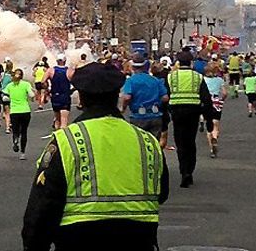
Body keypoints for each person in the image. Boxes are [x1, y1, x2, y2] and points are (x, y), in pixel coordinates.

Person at [22, 62, 169, 251]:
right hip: (139, 239)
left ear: (81, 99)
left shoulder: (66, 140)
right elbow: (162, 192)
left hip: (79, 239)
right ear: (116, 94)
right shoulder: (147, 141)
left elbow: (42, 206)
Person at [167, 50, 212, 188]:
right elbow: (206, 98)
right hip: (193, 111)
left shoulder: (171, 77)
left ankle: (183, 171)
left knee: (180, 143)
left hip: (177, 112)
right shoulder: (197, 77)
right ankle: (190, 171)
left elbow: (166, 95)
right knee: (190, 142)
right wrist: (208, 118)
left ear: (178, 63)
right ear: (191, 62)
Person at [121, 55, 169, 139]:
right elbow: (165, 98)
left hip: (138, 116)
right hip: (155, 115)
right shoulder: (155, 80)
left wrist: (123, 108)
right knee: (155, 143)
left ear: (133, 67)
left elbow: (127, 97)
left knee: (140, 144)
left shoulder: (131, 81)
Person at [2, 69, 34, 160]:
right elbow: (31, 95)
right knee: (24, 132)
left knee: (15, 130)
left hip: (14, 111)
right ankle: (22, 153)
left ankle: (15, 140)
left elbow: (5, 96)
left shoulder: (10, 86)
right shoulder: (26, 84)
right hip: (25, 110)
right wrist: (32, 95)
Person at [203, 62, 228, 158]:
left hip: (207, 102)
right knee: (216, 124)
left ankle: (211, 148)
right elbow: (225, 93)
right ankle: (215, 137)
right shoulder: (220, 80)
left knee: (209, 125)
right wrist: (222, 100)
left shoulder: (203, 80)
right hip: (217, 101)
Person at [41, 54, 72, 130]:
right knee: (64, 120)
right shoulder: (70, 71)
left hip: (55, 95)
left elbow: (42, 81)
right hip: (65, 96)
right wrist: (71, 90)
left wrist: (47, 89)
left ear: (57, 61)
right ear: (65, 61)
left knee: (57, 119)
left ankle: (56, 135)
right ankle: (62, 137)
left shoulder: (51, 70)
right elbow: (76, 83)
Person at [0, 62, 14, 133]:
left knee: (6, 112)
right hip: (11, 95)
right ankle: (11, 123)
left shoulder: (3, 75)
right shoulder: (12, 76)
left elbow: (0, 83)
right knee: (11, 111)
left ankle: (7, 127)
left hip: (3, 95)